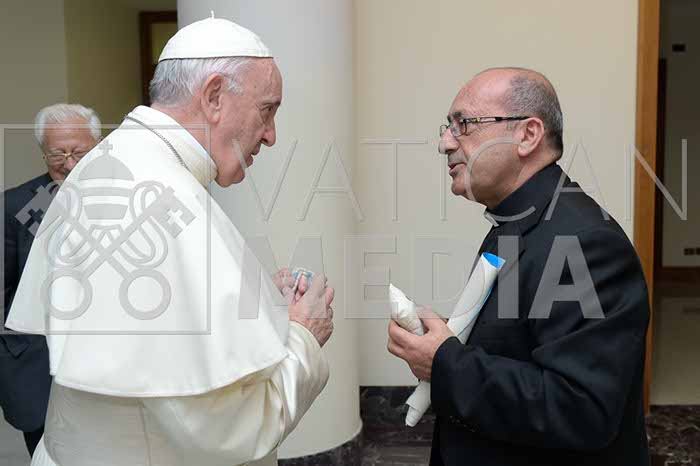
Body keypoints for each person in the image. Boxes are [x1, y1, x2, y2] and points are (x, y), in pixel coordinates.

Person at [6, 17, 334, 466]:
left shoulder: (118, 160)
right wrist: (303, 334)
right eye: (267, 110)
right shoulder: (155, 191)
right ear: (214, 96)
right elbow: (230, 429)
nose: (271, 135)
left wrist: (261, 308)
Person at [387, 68, 651, 466]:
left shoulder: (585, 242)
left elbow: (582, 410)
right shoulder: (520, 221)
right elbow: (516, 346)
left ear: (528, 135)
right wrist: (446, 343)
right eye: (448, 127)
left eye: (464, 124)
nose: (445, 143)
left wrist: (444, 363)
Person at [1, 103, 101, 456]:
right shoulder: (14, 205)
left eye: (79, 153)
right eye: (57, 154)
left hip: (107, 365)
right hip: (39, 369)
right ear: (43, 152)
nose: (69, 164)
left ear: (98, 147)